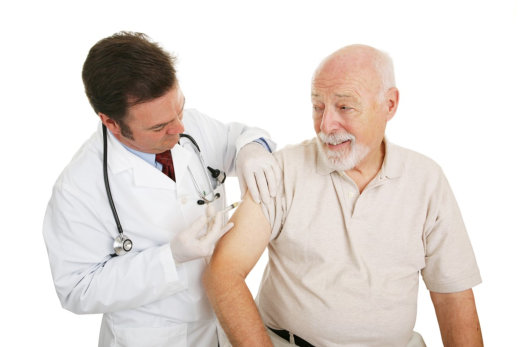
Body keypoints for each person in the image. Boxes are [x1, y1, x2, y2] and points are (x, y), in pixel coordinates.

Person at [204, 44, 483, 346]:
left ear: (389, 104)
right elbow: (224, 271)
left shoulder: (426, 180)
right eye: (317, 106)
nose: (326, 126)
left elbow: (452, 297)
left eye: (344, 107)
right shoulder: (283, 170)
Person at [42, 31, 281, 347]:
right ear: (111, 123)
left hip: (223, 322)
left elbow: (243, 137)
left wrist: (252, 149)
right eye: (159, 127)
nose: (179, 128)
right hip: (154, 337)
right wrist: (170, 258)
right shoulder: (78, 189)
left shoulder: (187, 126)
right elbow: (77, 290)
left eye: (180, 109)